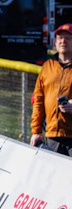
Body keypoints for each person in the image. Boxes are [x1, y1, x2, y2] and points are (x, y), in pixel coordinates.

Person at [31, 23, 72, 154]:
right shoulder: (48, 67)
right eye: (60, 38)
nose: (63, 41)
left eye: (68, 38)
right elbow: (38, 101)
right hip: (53, 135)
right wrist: (36, 131)